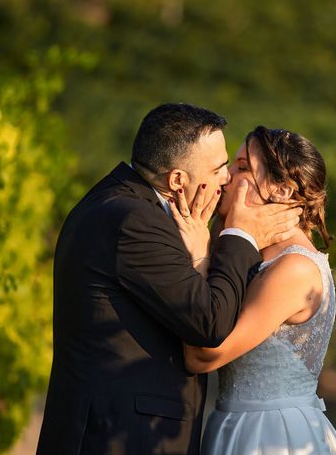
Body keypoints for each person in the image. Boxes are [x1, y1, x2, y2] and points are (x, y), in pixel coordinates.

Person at [37, 104, 302, 455]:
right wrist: (241, 235)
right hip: (118, 438)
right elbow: (210, 323)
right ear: (177, 179)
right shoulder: (134, 220)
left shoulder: (122, 203)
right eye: (219, 168)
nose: (226, 179)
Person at [172, 126, 336, 454]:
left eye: (241, 168)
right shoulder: (250, 256)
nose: (225, 177)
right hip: (235, 425)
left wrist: (198, 257)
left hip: (272, 436)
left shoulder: (293, 269)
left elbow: (203, 355)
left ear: (282, 190)